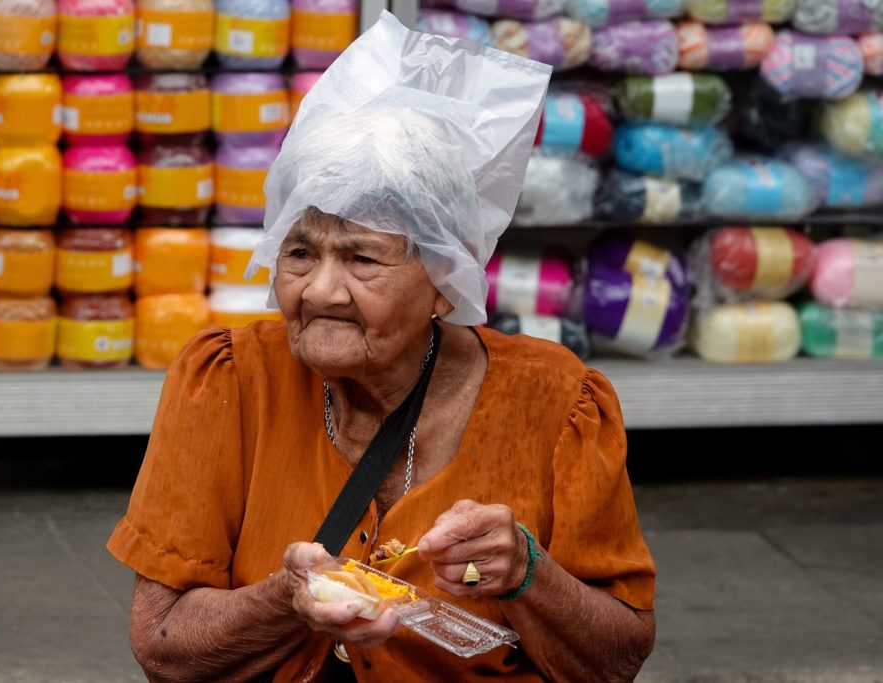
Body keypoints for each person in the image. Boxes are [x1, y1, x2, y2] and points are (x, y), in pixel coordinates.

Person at [108, 12, 655, 683]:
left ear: (444, 282)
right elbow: (161, 645)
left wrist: (528, 572)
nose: (320, 290)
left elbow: (618, 657)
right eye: (300, 252)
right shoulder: (227, 381)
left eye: (363, 258)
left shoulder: (556, 401)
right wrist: (286, 601)